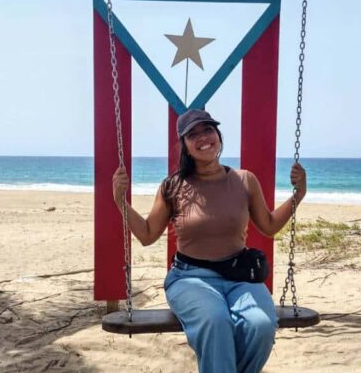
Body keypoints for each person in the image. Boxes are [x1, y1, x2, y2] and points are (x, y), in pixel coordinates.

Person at [112, 109, 307, 373]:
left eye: (208, 130)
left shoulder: (244, 180)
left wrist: (299, 195)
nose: (203, 138)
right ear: (185, 146)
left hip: (240, 277)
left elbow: (269, 226)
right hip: (190, 279)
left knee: (260, 324)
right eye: (193, 135)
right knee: (216, 321)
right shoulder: (173, 186)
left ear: (218, 135)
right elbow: (147, 235)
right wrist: (120, 202)